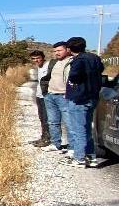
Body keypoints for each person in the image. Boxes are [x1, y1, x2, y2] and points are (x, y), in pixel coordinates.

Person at [62, 36, 105, 168]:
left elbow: (74, 76)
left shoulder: (78, 60)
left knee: (78, 130)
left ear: (69, 48)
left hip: (79, 98)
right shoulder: (95, 58)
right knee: (86, 129)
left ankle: (79, 158)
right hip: (92, 97)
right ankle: (90, 157)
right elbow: (102, 69)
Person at [41, 41, 72, 153]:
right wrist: (46, 92)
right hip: (51, 95)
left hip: (64, 96)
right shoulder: (54, 63)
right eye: (55, 51)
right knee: (53, 122)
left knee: (69, 123)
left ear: (67, 50)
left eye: (59, 50)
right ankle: (55, 143)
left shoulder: (72, 62)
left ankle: (72, 147)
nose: (56, 53)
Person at [28, 50, 50, 146]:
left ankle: (48, 139)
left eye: (38, 58)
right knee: (41, 118)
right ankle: (43, 137)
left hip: (47, 96)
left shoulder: (48, 65)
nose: (36, 60)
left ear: (42, 57)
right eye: (33, 58)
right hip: (39, 95)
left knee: (47, 119)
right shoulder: (39, 67)